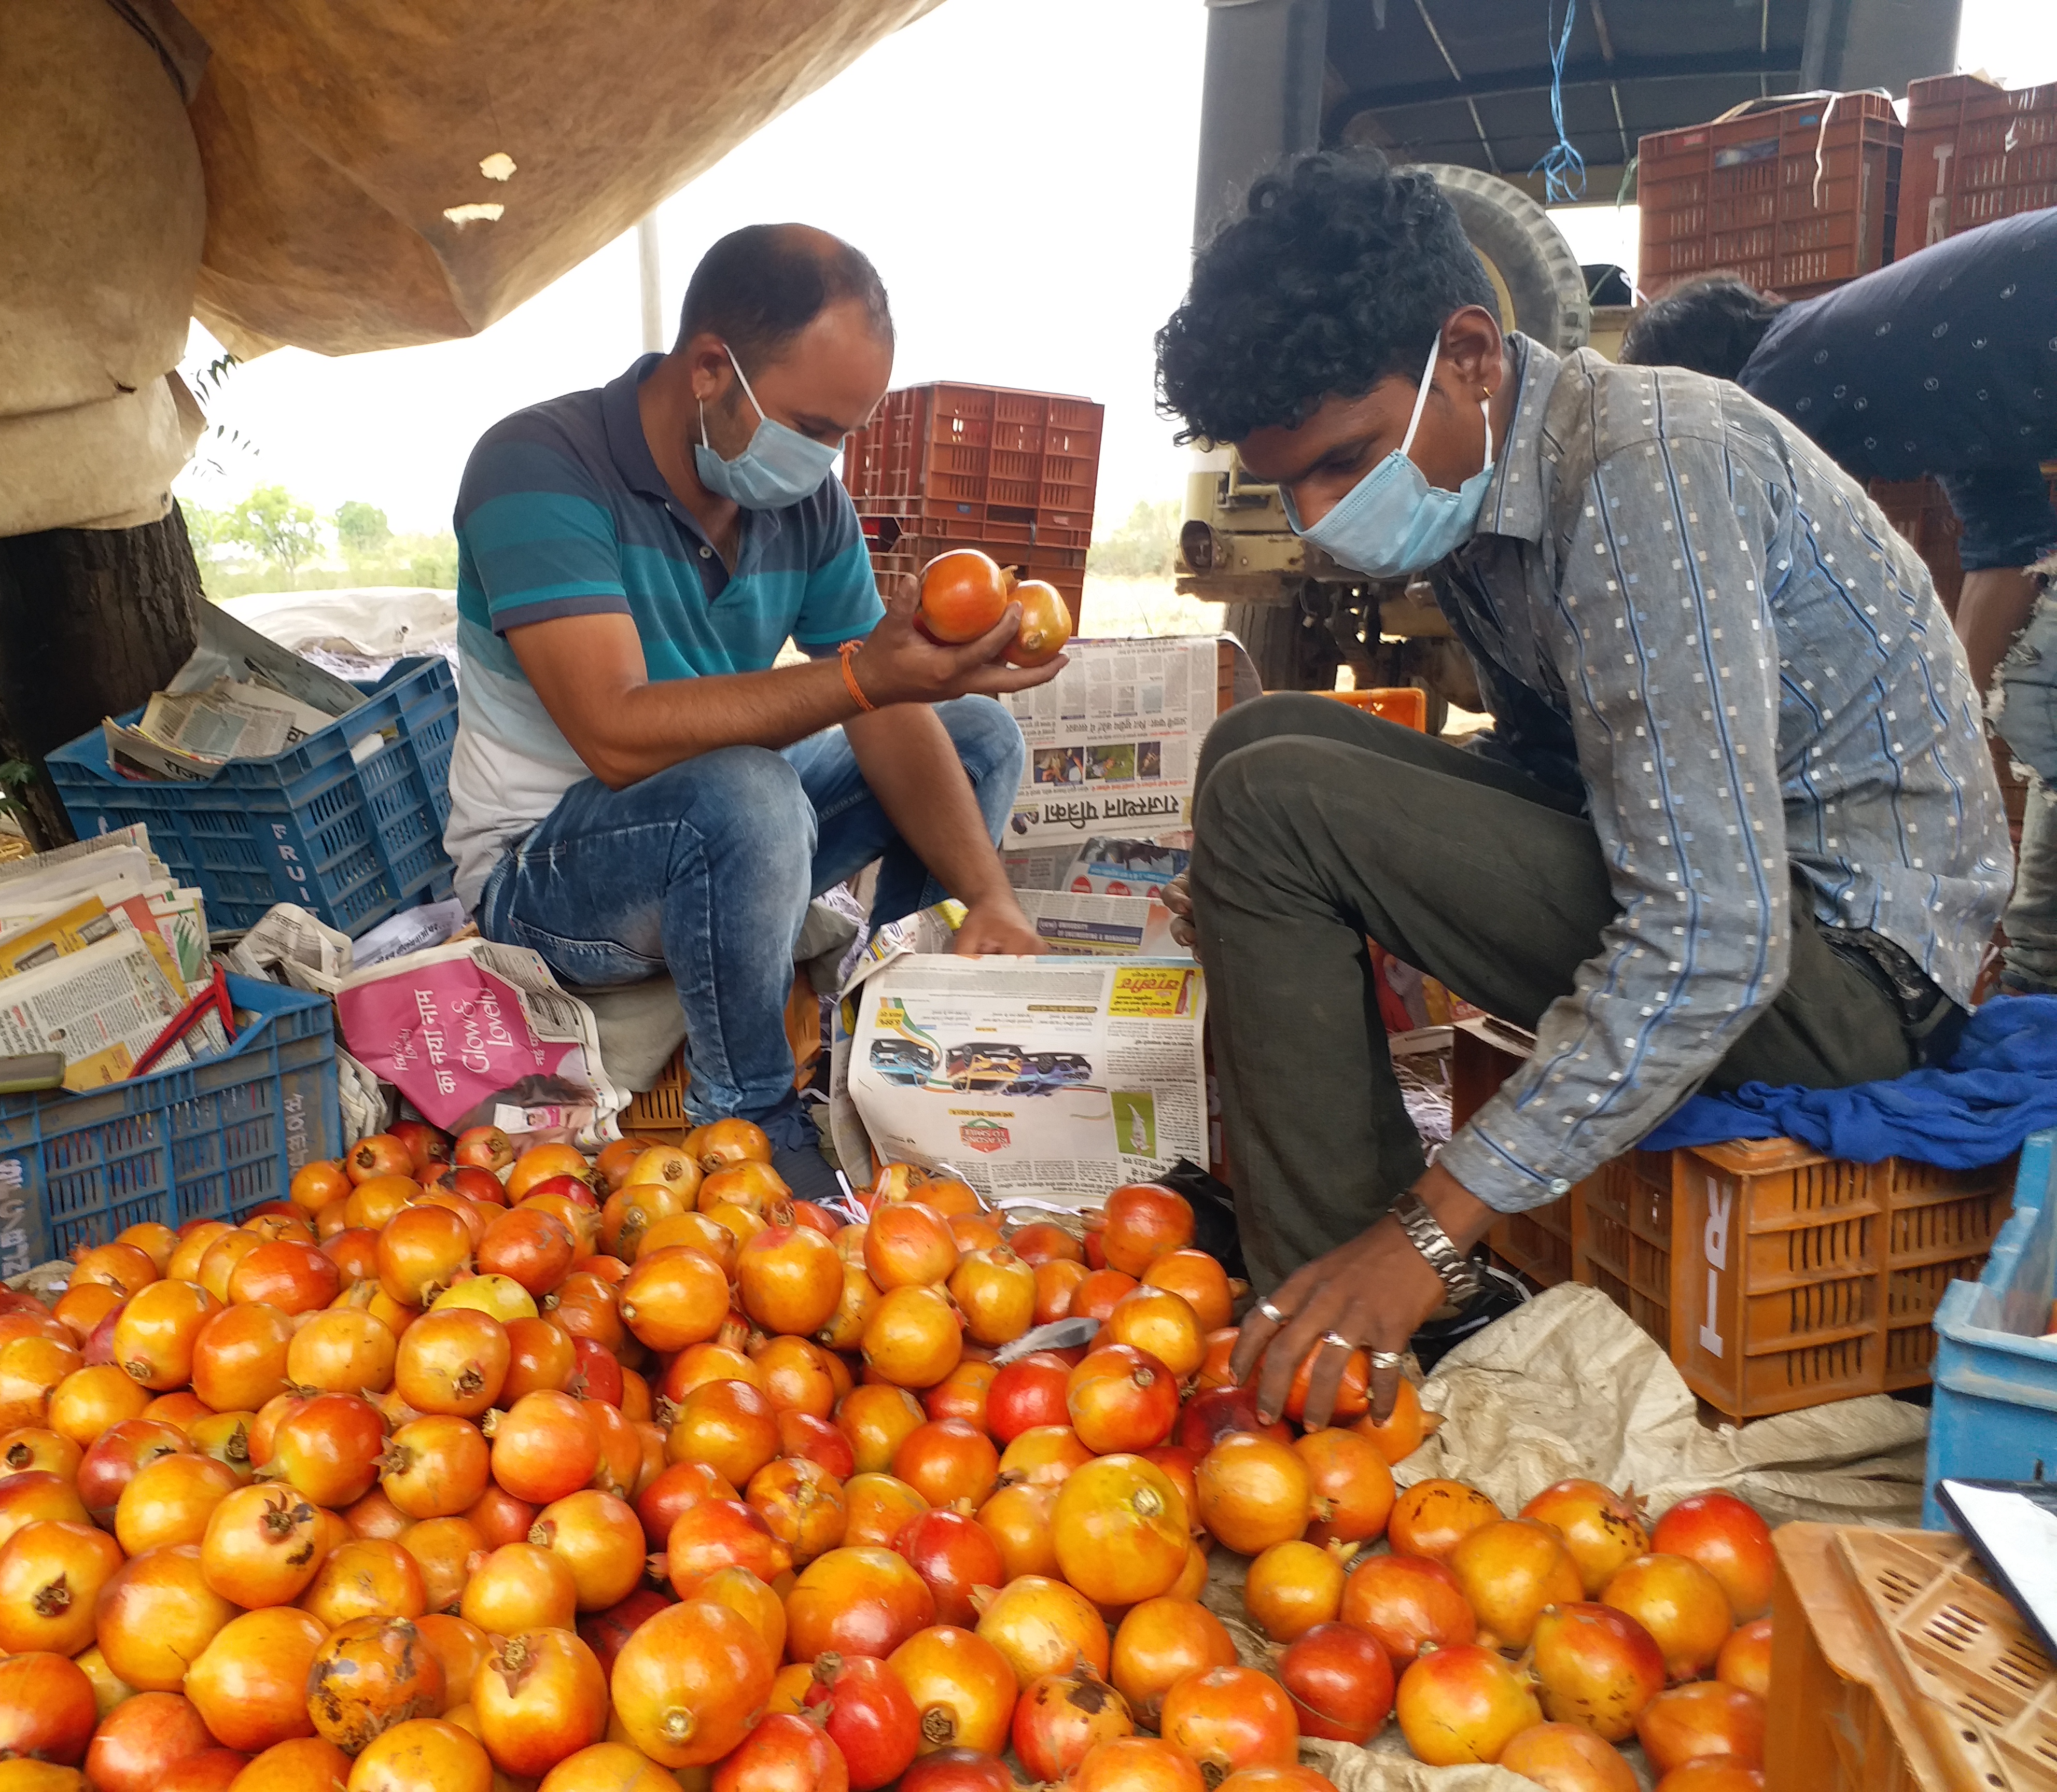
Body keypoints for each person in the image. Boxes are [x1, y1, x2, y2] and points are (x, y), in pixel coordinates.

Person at [1151, 148, 2010, 1429]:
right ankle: (1344, 1275)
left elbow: (1714, 933)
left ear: (1473, 355)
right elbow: (1564, 769)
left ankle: (1353, 1330)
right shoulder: (1491, 487)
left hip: (1845, 983)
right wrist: (1355, 867)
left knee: (1278, 806)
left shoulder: (1649, 471)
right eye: (1289, 483)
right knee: (1257, 750)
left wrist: (1434, 1231)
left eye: (1345, 460)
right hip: (1755, 915)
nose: (1320, 515)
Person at [443, 223, 1058, 1189]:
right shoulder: (536, 467)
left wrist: (990, 897)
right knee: (747, 792)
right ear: (708, 370)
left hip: (720, 828)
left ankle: (877, 1037)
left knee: (974, 735)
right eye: (812, 428)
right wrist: (864, 678)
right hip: (546, 873)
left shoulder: (807, 506)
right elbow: (613, 733)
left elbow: (885, 708)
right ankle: (753, 1123)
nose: (827, 459)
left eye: (846, 433)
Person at [1620, 215, 2057, 990]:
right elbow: (2009, 552)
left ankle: (2037, 983)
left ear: (1692, 388)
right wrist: (1951, 746)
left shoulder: (1771, 383)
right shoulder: (1921, 375)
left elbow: (1710, 599)